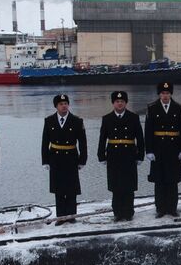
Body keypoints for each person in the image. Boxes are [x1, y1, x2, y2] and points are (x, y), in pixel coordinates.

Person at [97, 90, 144, 221]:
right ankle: (117, 212)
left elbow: (140, 138)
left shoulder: (133, 117)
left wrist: (140, 155)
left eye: (122, 101)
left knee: (128, 186)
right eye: (117, 101)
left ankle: (128, 212)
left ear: (126, 103)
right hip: (114, 155)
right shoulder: (107, 118)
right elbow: (102, 139)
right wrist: (101, 156)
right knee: (116, 185)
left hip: (129, 155)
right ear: (113, 103)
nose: (119, 104)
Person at [41, 93, 87, 221]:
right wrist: (45, 161)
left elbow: (83, 142)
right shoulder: (49, 120)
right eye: (61, 104)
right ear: (56, 106)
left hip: (71, 158)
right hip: (55, 158)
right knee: (59, 189)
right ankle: (61, 217)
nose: (64, 106)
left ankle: (71, 216)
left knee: (71, 189)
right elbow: (45, 142)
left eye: (66, 103)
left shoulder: (77, 121)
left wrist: (82, 160)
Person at [145, 80, 181, 217]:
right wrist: (149, 150)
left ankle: (172, 208)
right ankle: (160, 208)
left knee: (172, 180)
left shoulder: (178, 107)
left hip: (173, 149)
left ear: (171, 94)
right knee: (159, 181)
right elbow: (148, 131)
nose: (165, 96)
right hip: (158, 149)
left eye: (167, 93)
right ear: (159, 94)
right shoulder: (152, 108)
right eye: (163, 93)